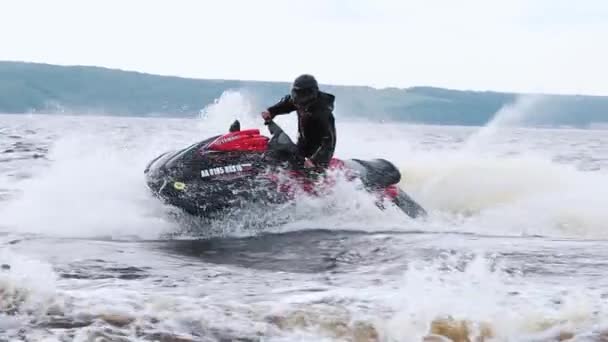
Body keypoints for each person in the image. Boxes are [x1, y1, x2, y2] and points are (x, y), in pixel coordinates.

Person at [261, 74, 337, 171]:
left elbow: (329, 141)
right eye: (296, 93)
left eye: (301, 94)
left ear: (311, 94)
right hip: (302, 145)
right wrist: (271, 111)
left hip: (317, 153)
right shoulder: (299, 101)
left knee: (311, 175)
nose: (298, 98)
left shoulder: (322, 112)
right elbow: (287, 103)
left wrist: (315, 160)